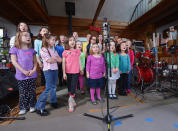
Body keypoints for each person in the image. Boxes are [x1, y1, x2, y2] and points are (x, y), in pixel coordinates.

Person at [9, 31, 37, 115]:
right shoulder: (14, 49)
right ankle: (23, 107)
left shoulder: (32, 50)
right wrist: (23, 71)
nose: (28, 37)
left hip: (32, 75)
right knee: (23, 92)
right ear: (19, 38)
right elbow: (14, 62)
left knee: (32, 91)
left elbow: (35, 62)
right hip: (21, 76)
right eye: (25, 36)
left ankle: (32, 105)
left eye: (29, 36)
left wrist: (33, 70)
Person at [35, 34, 62, 116]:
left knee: (54, 87)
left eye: (54, 40)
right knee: (48, 88)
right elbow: (49, 60)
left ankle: (53, 101)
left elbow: (60, 60)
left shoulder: (53, 49)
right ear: (47, 40)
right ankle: (39, 107)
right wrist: (55, 59)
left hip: (55, 70)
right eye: (52, 40)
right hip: (48, 70)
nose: (54, 41)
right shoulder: (43, 49)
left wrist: (55, 59)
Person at [62, 36, 82, 112]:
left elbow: (79, 61)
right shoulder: (65, 52)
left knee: (73, 86)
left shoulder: (77, 51)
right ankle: (72, 100)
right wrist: (64, 73)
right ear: (68, 42)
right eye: (70, 40)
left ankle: (70, 102)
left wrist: (80, 69)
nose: (72, 42)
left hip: (75, 72)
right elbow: (63, 63)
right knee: (70, 87)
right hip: (67, 72)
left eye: (73, 40)